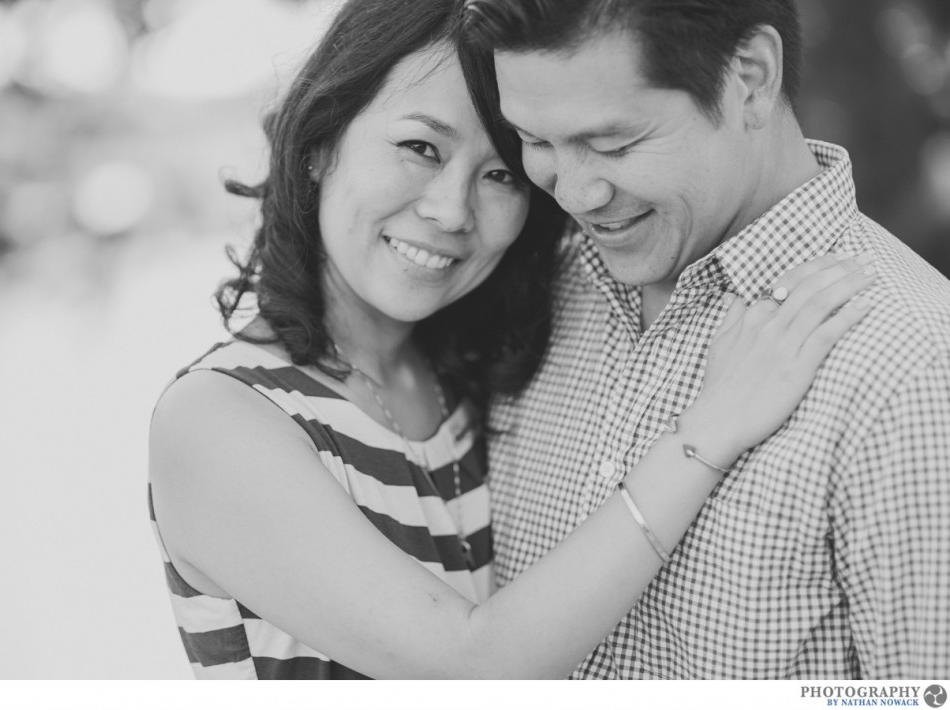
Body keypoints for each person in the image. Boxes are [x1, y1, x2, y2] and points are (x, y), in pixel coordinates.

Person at [147, 0, 874, 679]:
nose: (451, 210)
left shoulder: (469, 368)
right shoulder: (220, 420)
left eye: (500, 172)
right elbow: (473, 668)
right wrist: (704, 437)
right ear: (319, 141)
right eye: (421, 149)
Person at [463, 0, 950, 680]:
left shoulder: (911, 365)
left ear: (749, 76)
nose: (573, 192)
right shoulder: (543, 285)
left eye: (612, 144)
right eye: (536, 142)